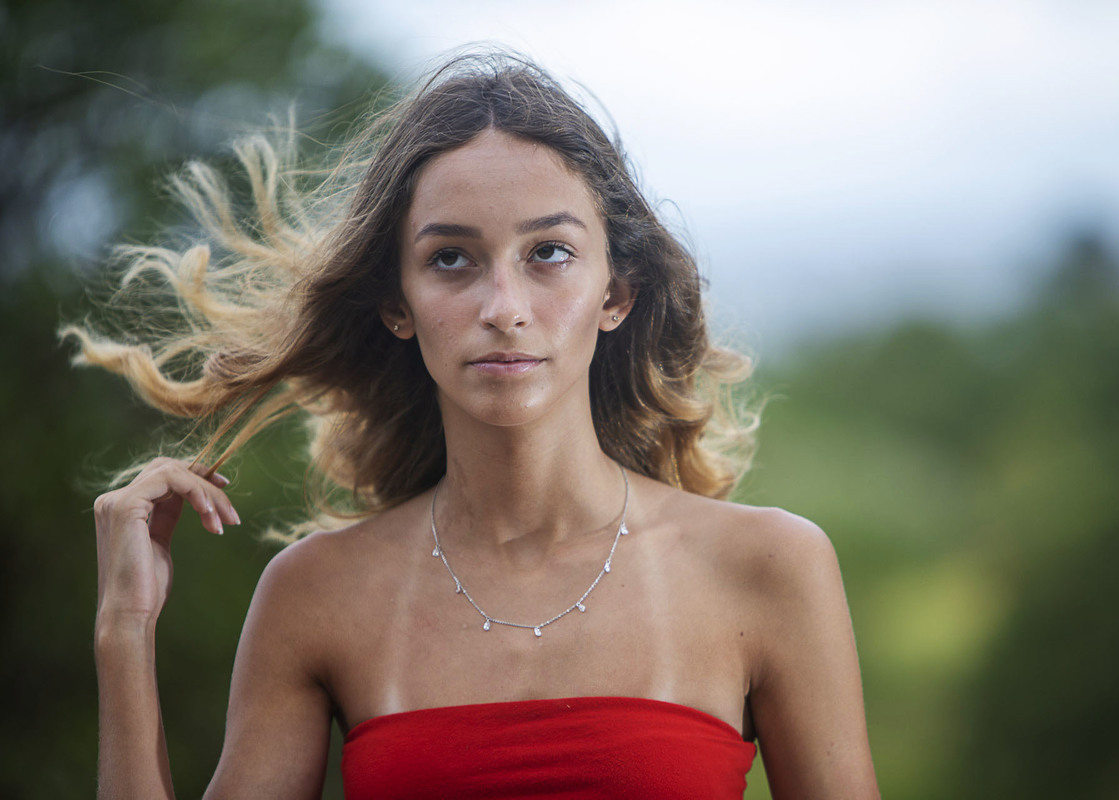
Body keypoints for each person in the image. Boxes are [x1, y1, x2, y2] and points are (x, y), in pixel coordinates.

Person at [70, 52, 879, 799]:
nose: (504, 308)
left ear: (616, 294)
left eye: (549, 253)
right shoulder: (316, 594)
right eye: (451, 258)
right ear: (397, 303)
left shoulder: (769, 568)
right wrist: (122, 633)